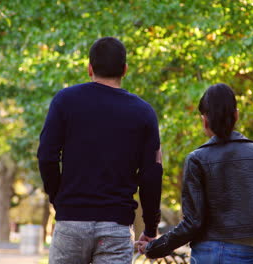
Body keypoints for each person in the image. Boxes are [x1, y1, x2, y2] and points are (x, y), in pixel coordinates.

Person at [37, 37, 163, 264]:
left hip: (71, 222)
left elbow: (46, 157)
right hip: (116, 226)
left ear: (90, 68)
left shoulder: (65, 101)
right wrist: (151, 227)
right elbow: (152, 175)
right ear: (125, 70)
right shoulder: (143, 112)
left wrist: (60, 200)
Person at [136, 83, 253, 264]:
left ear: (204, 121)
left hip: (205, 254)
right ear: (236, 115)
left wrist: (154, 248)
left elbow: (193, 223)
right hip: (245, 251)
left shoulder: (196, 159)